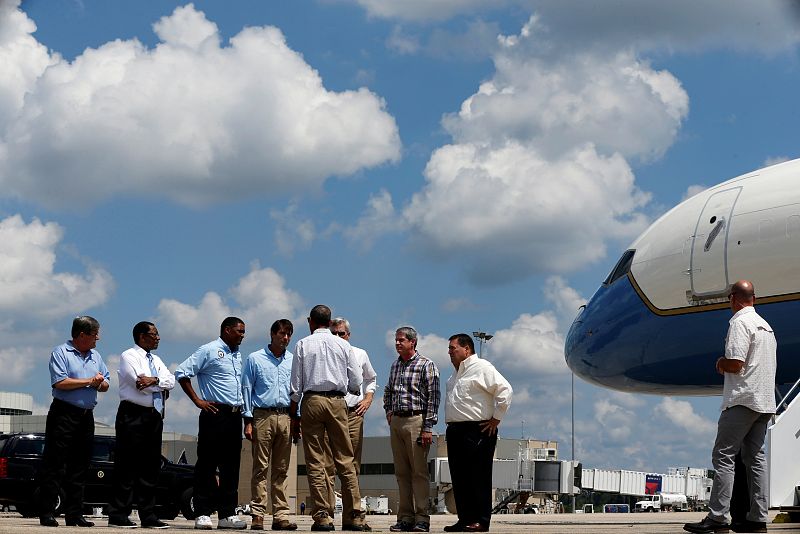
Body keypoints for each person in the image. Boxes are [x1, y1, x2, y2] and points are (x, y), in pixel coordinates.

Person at [684, 280, 777, 534]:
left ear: (734, 299)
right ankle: (758, 519)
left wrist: (721, 363)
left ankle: (718, 517)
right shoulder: (767, 327)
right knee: (756, 459)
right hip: (765, 402)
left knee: (723, 456)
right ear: (753, 299)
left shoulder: (739, 322)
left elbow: (736, 363)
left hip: (742, 399)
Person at [288, 305, 366, 532]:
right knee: (345, 458)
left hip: (312, 400)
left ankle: (323, 516)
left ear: (310, 321)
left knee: (315, 461)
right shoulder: (342, 344)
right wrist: (344, 389)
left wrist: (295, 410)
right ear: (330, 322)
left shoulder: (303, 344)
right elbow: (356, 380)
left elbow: (295, 385)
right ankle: (354, 516)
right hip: (337, 401)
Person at [175, 317, 248, 530]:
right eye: (239, 331)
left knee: (231, 467)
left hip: (235, 415)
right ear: (227, 330)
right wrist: (198, 400)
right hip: (214, 412)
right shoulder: (209, 350)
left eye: (244, 331)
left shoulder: (237, 354)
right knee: (207, 464)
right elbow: (182, 372)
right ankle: (203, 512)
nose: (243, 335)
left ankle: (227, 514)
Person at [38, 316, 110, 528]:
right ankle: (47, 512)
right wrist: (90, 381)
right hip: (64, 414)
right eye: (95, 333)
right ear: (82, 335)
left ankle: (75, 514)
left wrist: (98, 383)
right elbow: (60, 382)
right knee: (55, 463)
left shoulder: (96, 356)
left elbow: (105, 383)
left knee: (80, 465)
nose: (98, 337)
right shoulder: (61, 352)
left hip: (86, 416)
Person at [108, 321, 175, 529]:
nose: (158, 338)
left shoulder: (156, 359)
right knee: (127, 465)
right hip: (132, 414)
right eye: (154, 334)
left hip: (154, 416)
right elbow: (138, 384)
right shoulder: (129, 356)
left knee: (150, 466)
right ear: (141, 336)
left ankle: (148, 514)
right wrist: (159, 385)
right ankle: (118, 514)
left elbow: (171, 380)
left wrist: (154, 381)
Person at [443, 334, 512, 533]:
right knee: (459, 478)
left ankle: (481, 521)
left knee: (478, 477)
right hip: (456, 430)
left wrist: (496, 419)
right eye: (449, 349)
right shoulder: (454, 375)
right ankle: (464, 519)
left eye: (452, 348)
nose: (449, 352)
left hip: (477, 429)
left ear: (467, 349)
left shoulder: (482, 368)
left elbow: (505, 391)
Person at [242, 319, 297, 531]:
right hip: (262, 415)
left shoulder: (293, 360)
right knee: (260, 468)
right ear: (272, 334)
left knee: (282, 469)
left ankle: (281, 515)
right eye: (282, 333)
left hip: (285, 416)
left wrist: (296, 419)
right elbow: (247, 389)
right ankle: (257, 514)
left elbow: (296, 392)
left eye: (289, 334)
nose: (285, 338)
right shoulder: (255, 359)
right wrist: (247, 420)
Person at [384, 327, 440, 533]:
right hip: (397, 422)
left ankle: (422, 518)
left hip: (417, 420)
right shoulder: (395, 365)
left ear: (412, 342)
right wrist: (388, 411)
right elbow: (388, 390)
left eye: (401, 340)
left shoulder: (426, 365)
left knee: (419, 472)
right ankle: (405, 517)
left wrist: (428, 427)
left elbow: (434, 397)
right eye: (396, 340)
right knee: (401, 473)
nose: (397, 343)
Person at [323, 318, 378, 528]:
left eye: (342, 333)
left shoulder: (360, 353)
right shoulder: (325, 353)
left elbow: (371, 378)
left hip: (353, 414)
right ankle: (326, 515)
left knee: (352, 466)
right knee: (327, 466)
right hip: (330, 412)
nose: (338, 337)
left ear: (349, 335)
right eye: (334, 333)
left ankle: (351, 516)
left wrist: (368, 398)